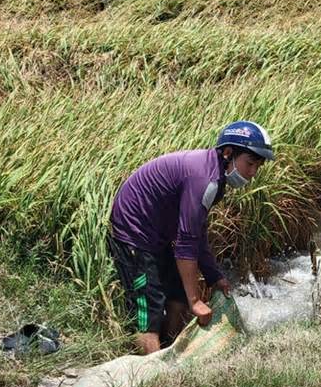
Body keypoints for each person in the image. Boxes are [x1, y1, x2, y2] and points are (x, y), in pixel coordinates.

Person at [107, 121, 274, 354]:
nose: (253, 172)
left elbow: (197, 233)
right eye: (250, 163)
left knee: (179, 297)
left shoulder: (217, 177)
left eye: (258, 166)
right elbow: (185, 245)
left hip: (159, 232)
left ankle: (170, 352)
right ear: (228, 153)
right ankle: (155, 378)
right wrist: (196, 301)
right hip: (134, 232)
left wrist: (214, 276)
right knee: (149, 312)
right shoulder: (205, 179)